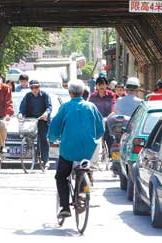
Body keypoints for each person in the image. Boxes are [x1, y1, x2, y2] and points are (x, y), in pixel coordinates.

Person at [49, 80, 104, 218]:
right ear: (83, 92)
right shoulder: (91, 107)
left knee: (61, 177)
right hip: (88, 149)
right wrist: (92, 139)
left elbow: (55, 127)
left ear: (70, 92)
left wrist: (51, 139)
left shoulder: (66, 107)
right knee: (84, 169)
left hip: (68, 149)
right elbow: (100, 129)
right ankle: (82, 193)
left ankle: (65, 207)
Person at [19, 80, 52, 167]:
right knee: (28, 135)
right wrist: (20, 114)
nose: (34, 89)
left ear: (39, 87)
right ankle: (32, 153)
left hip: (42, 119)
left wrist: (46, 113)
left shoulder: (45, 95)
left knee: (43, 139)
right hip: (31, 119)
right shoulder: (28, 96)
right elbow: (22, 107)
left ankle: (45, 160)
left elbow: (49, 107)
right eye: (32, 87)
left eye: (36, 87)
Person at [89, 76, 116, 153]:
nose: (101, 87)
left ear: (106, 85)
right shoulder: (93, 96)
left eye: (103, 84)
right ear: (96, 86)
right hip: (96, 122)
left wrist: (108, 118)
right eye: (99, 85)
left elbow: (113, 107)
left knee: (110, 139)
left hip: (108, 121)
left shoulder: (111, 95)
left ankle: (111, 157)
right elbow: (90, 108)